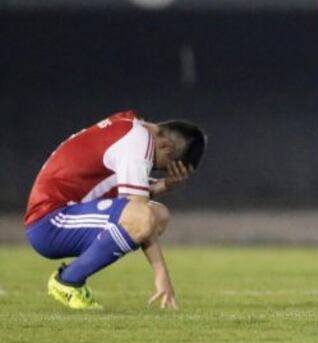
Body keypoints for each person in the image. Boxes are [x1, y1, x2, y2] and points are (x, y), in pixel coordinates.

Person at [24, 111, 205, 310]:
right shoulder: (139, 144)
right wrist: (161, 273)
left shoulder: (132, 124)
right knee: (147, 217)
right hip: (50, 223)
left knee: (158, 215)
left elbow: (126, 199)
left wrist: (165, 185)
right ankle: (68, 281)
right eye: (164, 165)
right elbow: (138, 214)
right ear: (164, 147)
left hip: (63, 212)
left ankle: (71, 278)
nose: (155, 168)